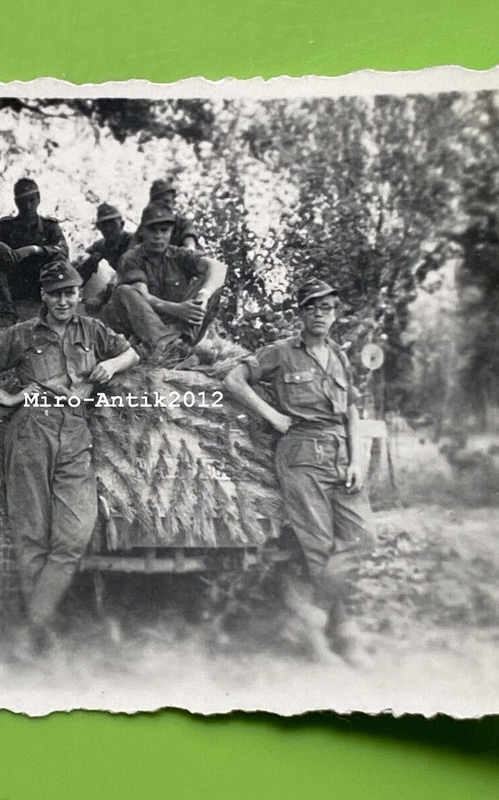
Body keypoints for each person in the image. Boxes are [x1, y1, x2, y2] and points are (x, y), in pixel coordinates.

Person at [0, 260, 139, 652]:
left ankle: (34, 620)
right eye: (56, 293)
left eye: (70, 292)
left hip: (76, 433)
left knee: (75, 531)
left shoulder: (92, 331)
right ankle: (39, 632)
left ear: (79, 294)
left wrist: (110, 364)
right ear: (44, 296)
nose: (63, 300)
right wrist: (8, 398)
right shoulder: (22, 334)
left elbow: (131, 354)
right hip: (30, 432)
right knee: (31, 534)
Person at [222, 278, 377, 665]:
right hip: (301, 454)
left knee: (363, 538)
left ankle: (313, 618)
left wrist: (357, 459)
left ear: (335, 313)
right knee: (320, 549)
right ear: (301, 313)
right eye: (311, 307)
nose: (319, 314)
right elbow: (233, 380)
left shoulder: (339, 356)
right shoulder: (281, 352)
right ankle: (338, 636)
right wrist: (273, 416)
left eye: (326, 308)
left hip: (341, 455)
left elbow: (352, 411)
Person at [101, 203, 226, 357]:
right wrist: (178, 309)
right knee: (124, 291)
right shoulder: (131, 258)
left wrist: (204, 296)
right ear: (143, 232)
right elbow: (142, 295)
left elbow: (218, 268)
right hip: (144, 325)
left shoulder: (178, 254)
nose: (158, 236)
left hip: (177, 326)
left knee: (211, 282)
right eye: (152, 230)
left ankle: (182, 344)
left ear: (171, 231)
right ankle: (167, 347)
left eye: (164, 230)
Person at [0, 178, 69, 322]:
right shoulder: (7, 226)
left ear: (38, 199)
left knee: (59, 260)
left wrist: (34, 249)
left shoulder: (50, 226)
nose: (28, 206)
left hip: (41, 286)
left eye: (32, 200)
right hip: (14, 287)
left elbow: (62, 250)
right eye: (23, 201)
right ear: (17, 202)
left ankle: (54, 307)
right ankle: (7, 312)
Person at [130, 178, 200, 251]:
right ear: (151, 204)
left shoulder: (182, 223)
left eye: (167, 202)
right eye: (158, 202)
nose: (162, 205)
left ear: (173, 204)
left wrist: (189, 248)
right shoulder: (146, 225)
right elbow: (132, 248)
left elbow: (190, 241)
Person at [75, 203, 135, 280]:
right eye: (104, 225)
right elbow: (77, 268)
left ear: (122, 224)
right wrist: (89, 262)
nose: (108, 229)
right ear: (99, 227)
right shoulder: (100, 246)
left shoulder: (134, 241)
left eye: (112, 224)